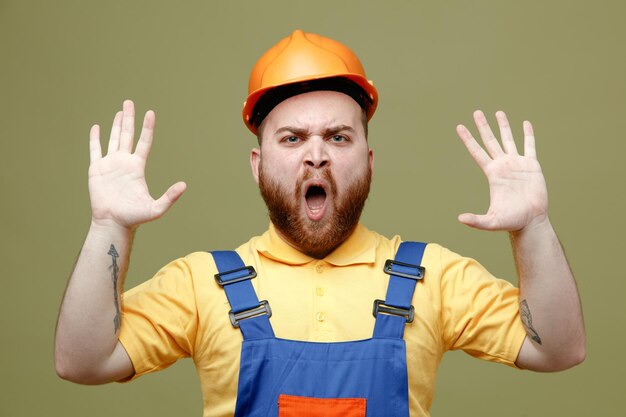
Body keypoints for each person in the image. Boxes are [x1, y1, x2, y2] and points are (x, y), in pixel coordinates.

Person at [55, 30, 585, 417]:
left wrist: (533, 225)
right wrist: (109, 227)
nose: (316, 156)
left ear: (369, 161)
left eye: (338, 137)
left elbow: (557, 350)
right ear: (257, 165)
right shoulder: (201, 285)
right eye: (291, 138)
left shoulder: (433, 278)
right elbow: (82, 362)